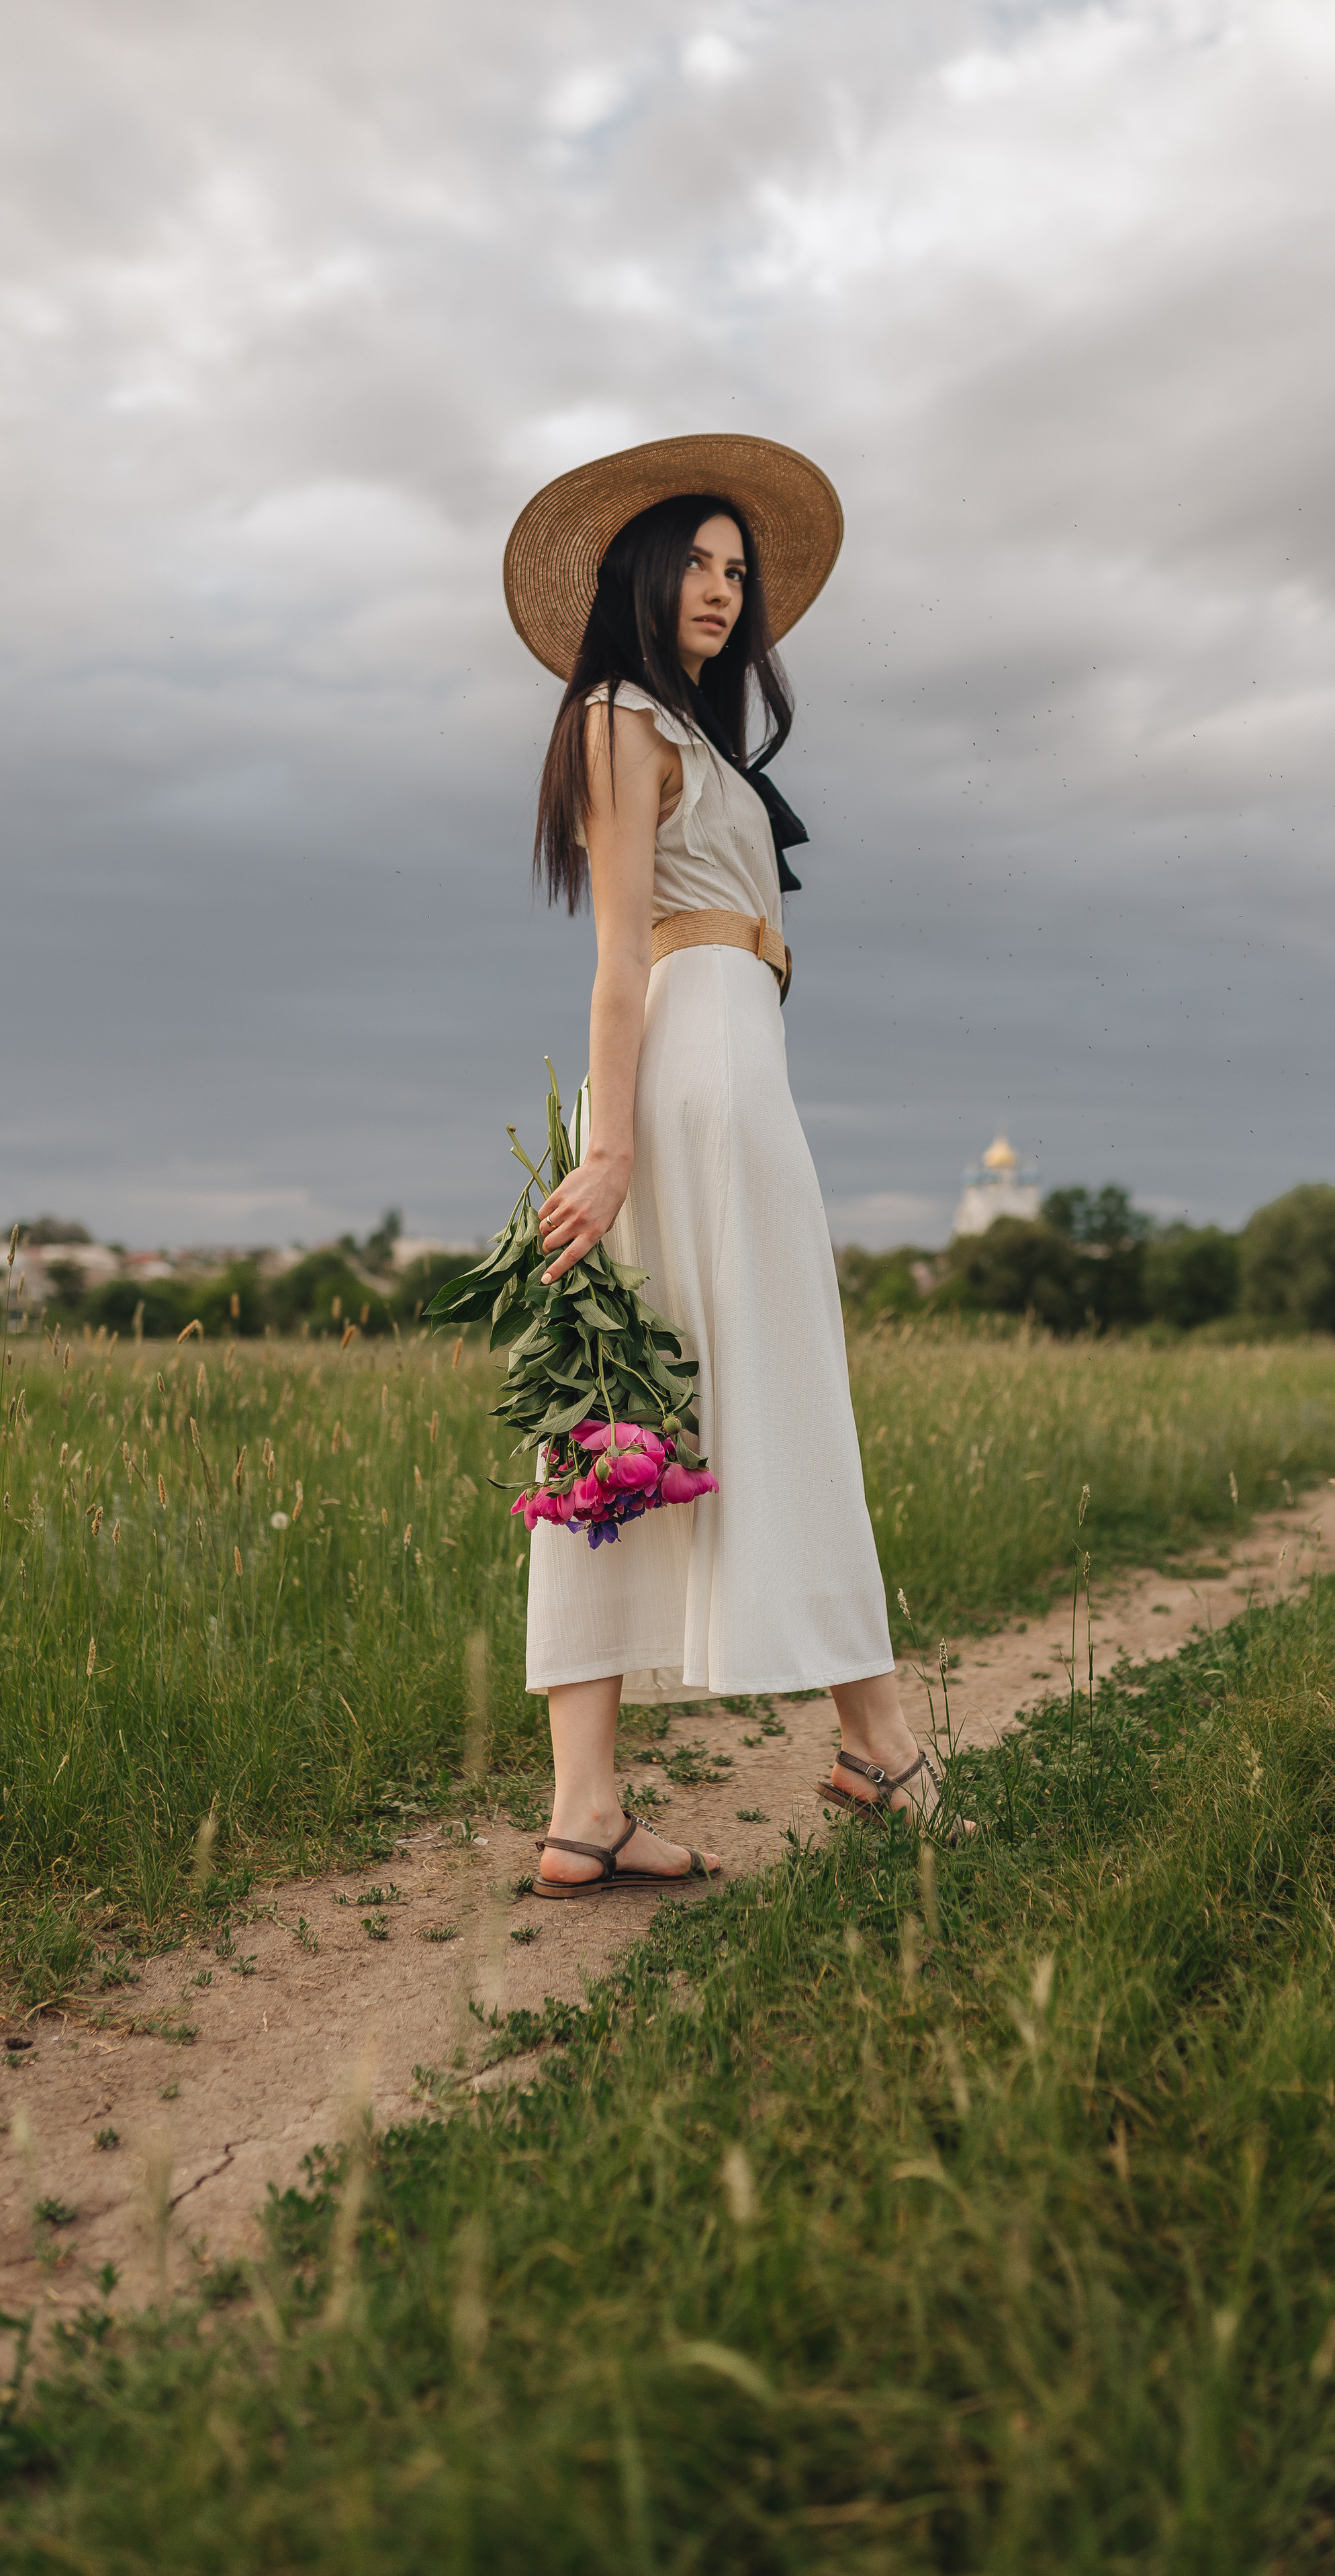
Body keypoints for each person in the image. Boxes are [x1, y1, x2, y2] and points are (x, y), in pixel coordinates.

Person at [502, 434, 956, 1897]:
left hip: (726, 1059)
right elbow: (619, 956)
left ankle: (586, 1806)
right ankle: (880, 1740)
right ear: (638, 573)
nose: (720, 585)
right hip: (688, 1075)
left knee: (629, 1404)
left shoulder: (691, 737)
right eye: (696, 560)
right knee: (759, 1380)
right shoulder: (621, 716)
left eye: (735, 567)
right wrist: (614, 1139)